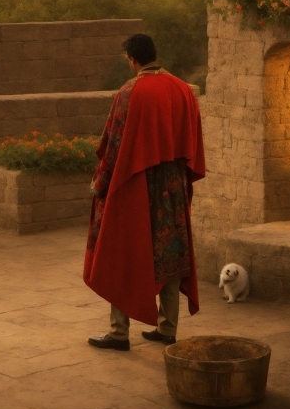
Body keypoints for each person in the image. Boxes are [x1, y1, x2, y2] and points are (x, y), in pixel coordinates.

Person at [84, 33, 206, 351]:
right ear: (155, 54)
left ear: (132, 60)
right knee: (171, 253)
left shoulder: (129, 92)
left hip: (138, 186)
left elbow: (114, 145)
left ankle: (119, 332)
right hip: (173, 185)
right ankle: (167, 329)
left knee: (122, 251)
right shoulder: (183, 90)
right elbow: (193, 140)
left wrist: (101, 183)